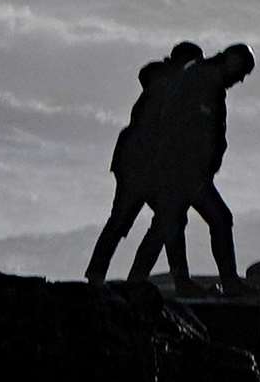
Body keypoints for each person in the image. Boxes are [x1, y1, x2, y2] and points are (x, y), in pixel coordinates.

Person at [124, 43, 256, 294]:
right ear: (231, 61)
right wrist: (189, 167)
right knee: (216, 218)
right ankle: (225, 281)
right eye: (241, 72)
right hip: (182, 171)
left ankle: (144, 281)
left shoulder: (209, 82)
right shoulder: (200, 80)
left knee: (166, 224)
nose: (240, 80)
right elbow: (178, 127)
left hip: (188, 171)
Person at [82, 41, 203, 285]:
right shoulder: (168, 86)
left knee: (153, 220)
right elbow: (160, 132)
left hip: (139, 163)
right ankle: (127, 276)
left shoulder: (164, 82)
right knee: (137, 220)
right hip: (140, 166)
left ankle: (120, 275)